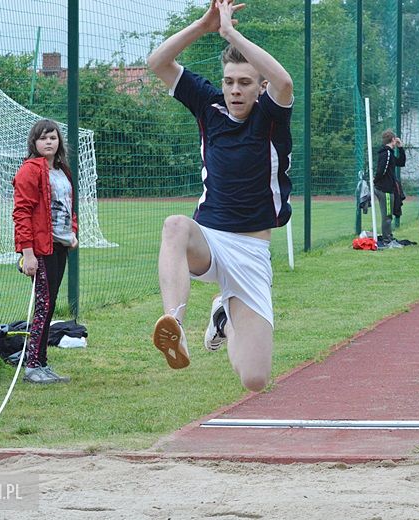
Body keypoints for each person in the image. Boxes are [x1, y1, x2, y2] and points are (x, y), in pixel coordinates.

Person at [146, 0, 293, 392]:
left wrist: (230, 33)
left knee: (255, 379)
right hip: (209, 240)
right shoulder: (207, 105)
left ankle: (223, 319)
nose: (235, 90)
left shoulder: (270, 116)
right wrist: (202, 25)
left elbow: (284, 82)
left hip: (251, 251)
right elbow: (158, 62)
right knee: (175, 226)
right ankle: (175, 324)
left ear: (260, 87)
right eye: (229, 82)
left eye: (244, 83)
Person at [13, 119, 78, 384]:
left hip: (60, 246)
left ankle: (42, 363)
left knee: (49, 305)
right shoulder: (30, 171)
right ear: (34, 143)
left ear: (59, 141)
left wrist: (72, 232)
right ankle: (32, 367)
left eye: (52, 137)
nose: (48, 142)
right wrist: (28, 254)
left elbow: (69, 204)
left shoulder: (62, 170)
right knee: (43, 305)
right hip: (41, 249)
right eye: (43, 138)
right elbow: (22, 213)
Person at [373, 129, 406, 248]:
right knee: (387, 215)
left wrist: (401, 148)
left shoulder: (390, 153)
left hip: (388, 188)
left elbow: (401, 162)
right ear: (393, 139)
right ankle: (387, 239)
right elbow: (381, 170)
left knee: (388, 214)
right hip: (385, 189)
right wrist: (376, 181)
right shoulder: (386, 153)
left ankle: (389, 236)